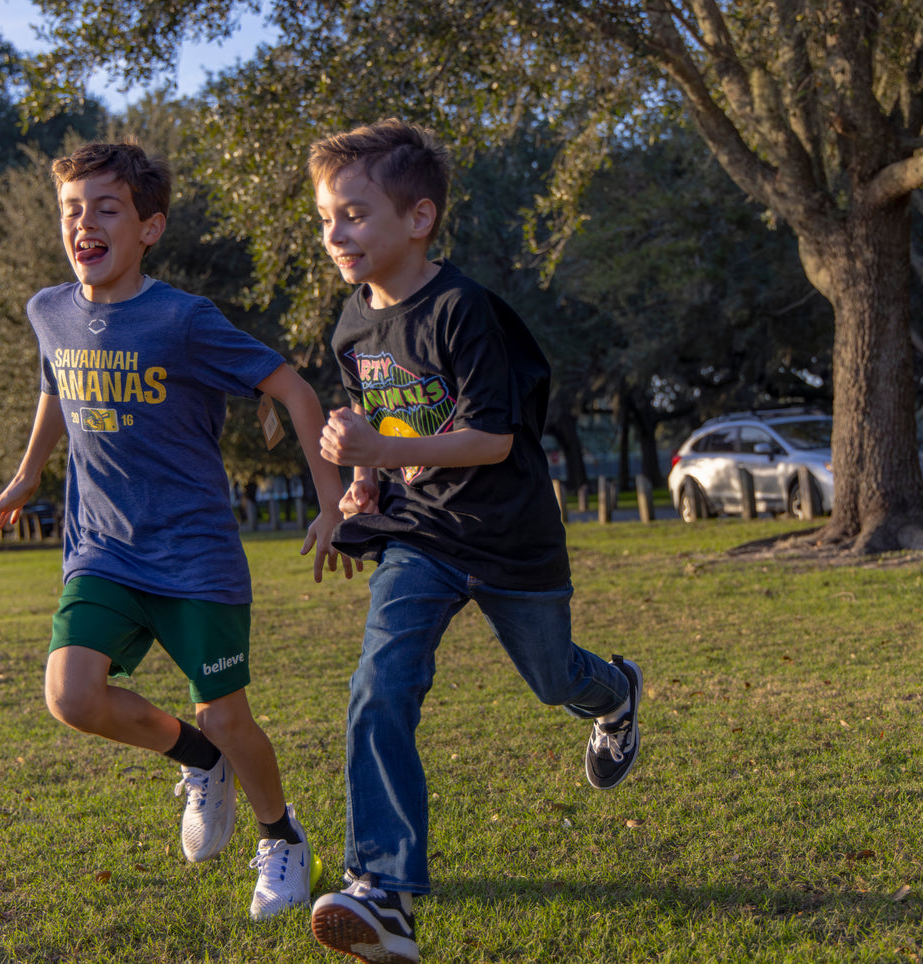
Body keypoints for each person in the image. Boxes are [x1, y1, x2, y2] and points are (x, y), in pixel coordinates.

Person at [0, 141, 352, 922]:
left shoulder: (183, 320)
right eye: (71, 210)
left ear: (148, 228)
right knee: (71, 697)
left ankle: (280, 837)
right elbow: (54, 387)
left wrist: (331, 501)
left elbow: (290, 385)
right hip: (101, 550)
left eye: (105, 209)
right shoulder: (49, 309)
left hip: (194, 555)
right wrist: (26, 476)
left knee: (228, 713)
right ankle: (195, 757)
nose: (84, 223)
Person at [306, 120, 644, 964]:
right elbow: (382, 429)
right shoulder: (349, 328)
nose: (335, 234)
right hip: (420, 538)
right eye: (325, 218)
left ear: (417, 219)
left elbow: (490, 439)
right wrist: (363, 484)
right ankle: (380, 891)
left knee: (549, 676)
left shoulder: (462, 312)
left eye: (354, 214)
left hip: (509, 534)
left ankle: (612, 695)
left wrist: (381, 451)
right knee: (380, 684)